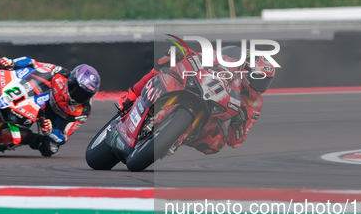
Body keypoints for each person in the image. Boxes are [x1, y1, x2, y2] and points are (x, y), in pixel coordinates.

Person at [115, 46, 274, 154]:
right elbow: (201, 55)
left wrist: (239, 123)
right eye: (258, 78)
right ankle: (130, 95)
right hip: (199, 86)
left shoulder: (255, 104)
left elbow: (234, 141)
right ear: (246, 69)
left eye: (265, 81)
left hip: (212, 117)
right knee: (167, 63)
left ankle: (174, 137)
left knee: (215, 144)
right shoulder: (229, 61)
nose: (259, 86)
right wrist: (183, 52)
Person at [0, 56, 100, 157]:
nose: (79, 96)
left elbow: (63, 136)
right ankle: (3, 95)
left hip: (52, 118)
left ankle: (25, 137)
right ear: (71, 81)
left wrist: (50, 131)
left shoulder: (83, 112)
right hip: (40, 98)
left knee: (50, 148)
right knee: (25, 72)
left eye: (84, 95)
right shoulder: (60, 72)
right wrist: (12, 63)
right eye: (77, 90)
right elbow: (32, 63)